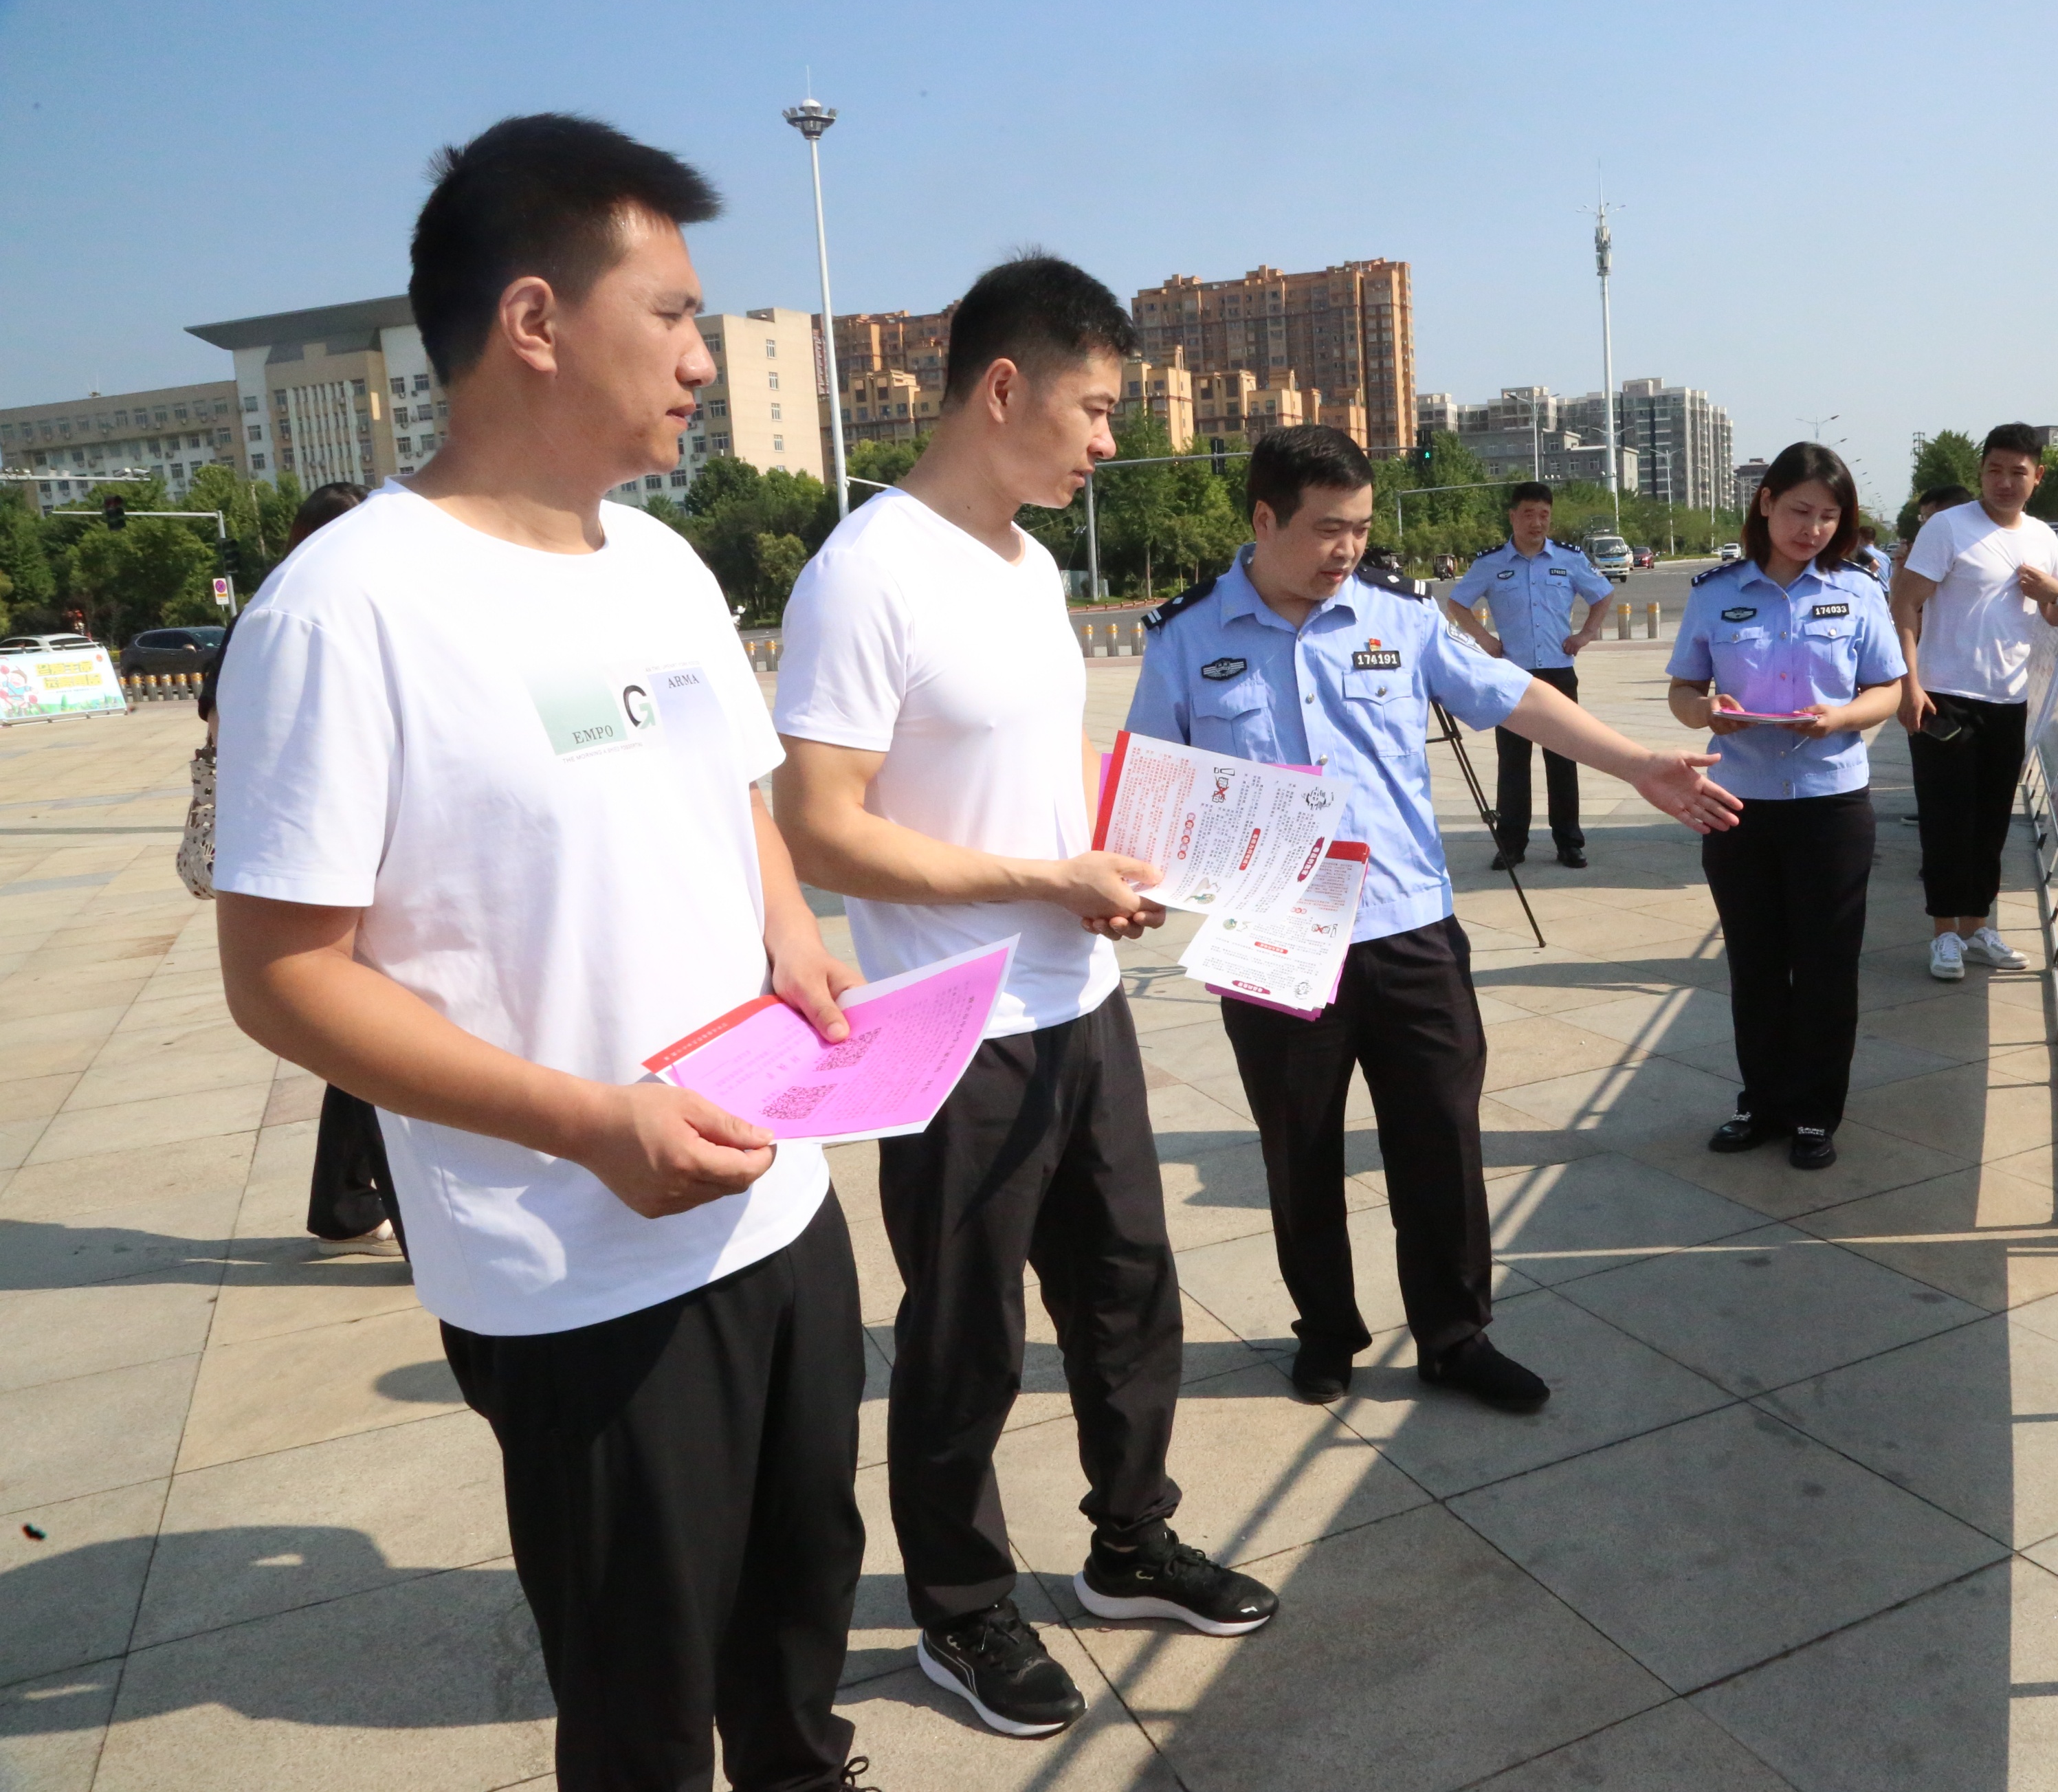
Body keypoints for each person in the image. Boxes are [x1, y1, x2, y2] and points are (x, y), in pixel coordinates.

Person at [212, 115, 876, 1792]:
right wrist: (591, 1122)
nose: (703, 359)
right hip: (583, 1267)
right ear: (534, 321)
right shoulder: (342, 609)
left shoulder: (659, 563)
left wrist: (793, 935)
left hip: (776, 1204)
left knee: (800, 1626)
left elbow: (737, 794)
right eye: (671, 314)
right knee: (645, 1702)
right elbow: (281, 974)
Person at [771, 255, 1276, 1743]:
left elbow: (1030, 788)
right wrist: (1035, 880)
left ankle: (1128, 1541)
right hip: (947, 1027)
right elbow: (819, 825)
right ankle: (959, 1605)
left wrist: (1105, 875)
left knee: (1127, 1290)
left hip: (1078, 994)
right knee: (965, 1332)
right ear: (1005, 386)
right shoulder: (864, 570)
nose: (1108, 440)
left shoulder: (1029, 564)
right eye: (1097, 408)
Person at [1128, 426, 1740, 1410]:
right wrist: (1140, 886)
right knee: (1300, 1144)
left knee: (1442, 1142)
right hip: (1275, 938)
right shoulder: (1186, 637)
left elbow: (1516, 698)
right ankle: (1325, 1327)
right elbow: (1153, 789)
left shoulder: (1398, 619)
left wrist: (1638, 763)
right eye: (1327, 529)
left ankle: (1455, 1335)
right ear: (1263, 518)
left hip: (1408, 927)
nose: (1347, 550)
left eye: (1362, 529)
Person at [1667, 445, 1907, 1170]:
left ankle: (1813, 1112)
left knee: (1826, 965)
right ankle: (1760, 1102)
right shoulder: (1714, 591)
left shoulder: (1857, 590)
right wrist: (1708, 711)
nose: (1812, 529)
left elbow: (1888, 689)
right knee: (1755, 963)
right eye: (1800, 510)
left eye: (1829, 516)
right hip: (1736, 805)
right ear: (1765, 503)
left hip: (1830, 804)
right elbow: (1682, 692)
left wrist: (1839, 718)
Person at [197, 483, 401, 1258]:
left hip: (362, 849)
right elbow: (228, 733)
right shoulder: (286, 621)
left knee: (366, 1034)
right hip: (320, 856)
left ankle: (344, 1201)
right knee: (376, 1030)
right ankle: (404, 1217)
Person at [1892, 425, 2058, 981]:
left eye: (2017, 471)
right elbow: (1904, 605)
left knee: (1992, 821)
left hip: (2007, 698)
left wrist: (2055, 594)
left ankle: (1978, 927)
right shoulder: (1948, 528)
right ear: (1981, 471)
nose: (2004, 481)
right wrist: (1910, 683)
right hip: (1944, 696)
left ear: (2037, 476)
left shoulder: (2043, 537)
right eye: (1994, 469)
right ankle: (1944, 935)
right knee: (1946, 819)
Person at [1443, 481, 1613, 870]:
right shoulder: (1491, 563)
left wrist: (1586, 634)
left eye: (1544, 515)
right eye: (1529, 514)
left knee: (1564, 757)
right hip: (1512, 676)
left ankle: (1569, 841)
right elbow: (1457, 602)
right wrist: (1485, 639)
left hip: (1559, 672)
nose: (1537, 523)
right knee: (1513, 763)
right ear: (1513, 516)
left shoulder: (1569, 559)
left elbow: (1602, 595)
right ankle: (1512, 843)